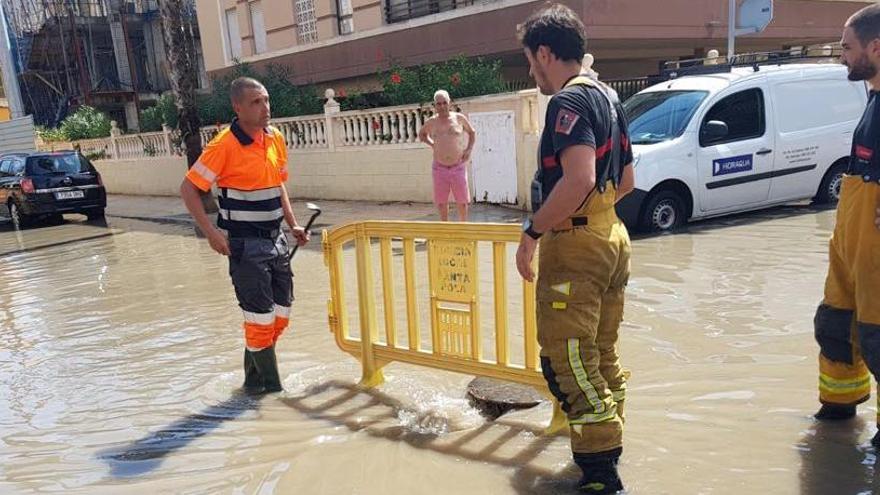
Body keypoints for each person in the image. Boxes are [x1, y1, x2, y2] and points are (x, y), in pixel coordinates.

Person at [514, 4, 635, 493]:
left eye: (530, 61)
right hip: (612, 236)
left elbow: (579, 177)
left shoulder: (568, 103)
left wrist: (533, 231)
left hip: (577, 244)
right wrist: (597, 215)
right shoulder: (608, 97)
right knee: (600, 355)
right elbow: (625, 180)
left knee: (567, 361)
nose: (532, 71)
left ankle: (601, 473)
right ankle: (607, 449)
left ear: (545, 53)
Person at [179, 77, 309, 395]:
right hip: (245, 244)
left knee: (280, 315)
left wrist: (292, 225)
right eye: (256, 102)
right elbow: (189, 189)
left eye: (266, 100)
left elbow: (278, 185)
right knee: (260, 319)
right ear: (238, 107)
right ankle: (273, 391)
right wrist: (210, 233)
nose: (265, 107)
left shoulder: (275, 138)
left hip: (276, 238)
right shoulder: (224, 145)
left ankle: (251, 382)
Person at [814, 4, 880, 445]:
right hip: (851, 237)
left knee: (877, 336)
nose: (841, 57)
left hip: (873, 242)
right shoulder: (873, 98)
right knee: (834, 324)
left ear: (876, 47)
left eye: (847, 48)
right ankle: (840, 408)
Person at [418, 90, 476, 221]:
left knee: (462, 201)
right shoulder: (432, 122)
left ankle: (463, 228)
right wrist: (432, 144)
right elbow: (422, 134)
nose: (442, 106)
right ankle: (445, 227)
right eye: (439, 104)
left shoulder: (459, 118)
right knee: (441, 202)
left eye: (445, 103)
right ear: (435, 105)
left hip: (458, 166)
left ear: (449, 103)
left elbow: (472, 133)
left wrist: (468, 150)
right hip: (439, 168)